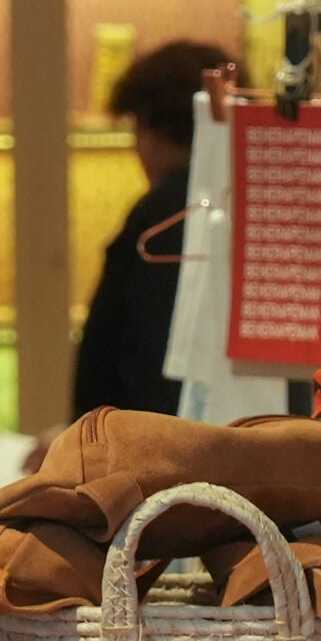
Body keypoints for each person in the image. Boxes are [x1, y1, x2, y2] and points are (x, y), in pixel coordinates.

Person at [72, 38, 238, 416]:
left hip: (151, 436)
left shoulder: (162, 213)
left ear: (151, 129)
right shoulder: (251, 201)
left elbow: (136, 353)